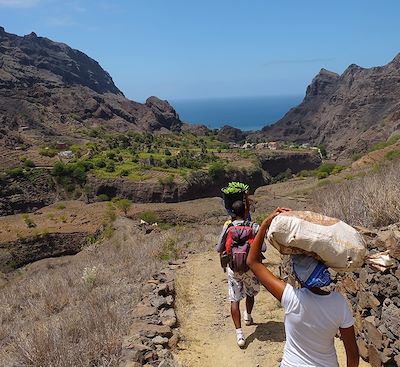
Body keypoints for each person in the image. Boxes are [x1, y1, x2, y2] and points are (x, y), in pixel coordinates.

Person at [247, 207, 359, 367]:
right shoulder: (339, 304)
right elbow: (353, 355)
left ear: (298, 276)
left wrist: (265, 224)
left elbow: (252, 262)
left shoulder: (290, 297)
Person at [216, 200, 266, 348]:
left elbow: (219, 247)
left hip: (233, 268)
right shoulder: (254, 226)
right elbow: (263, 248)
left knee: (234, 299)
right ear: (245, 212)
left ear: (232, 212)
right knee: (250, 293)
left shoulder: (228, 226)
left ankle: (239, 334)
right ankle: (248, 316)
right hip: (250, 268)